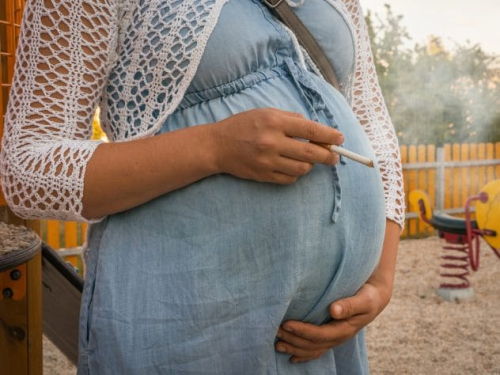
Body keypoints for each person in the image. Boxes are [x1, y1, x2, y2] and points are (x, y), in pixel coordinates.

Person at [0, 0, 405, 373]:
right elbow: (28, 169)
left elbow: (375, 131)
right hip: (187, 328)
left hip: (323, 342)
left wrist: (380, 281)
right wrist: (214, 147)